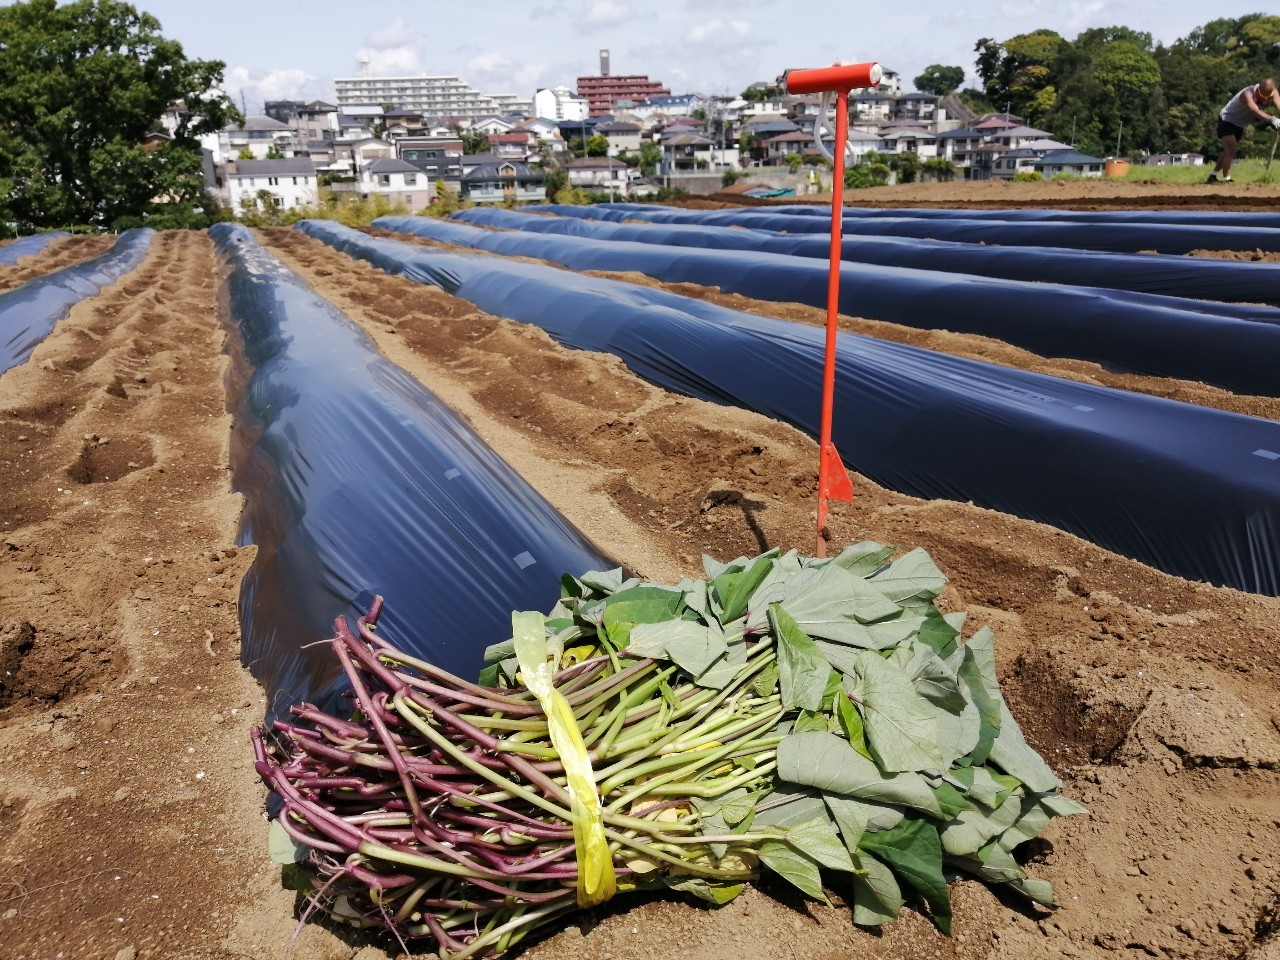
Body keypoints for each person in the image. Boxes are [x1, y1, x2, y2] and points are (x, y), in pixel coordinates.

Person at [1208, 78, 1280, 183]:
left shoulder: (1272, 92)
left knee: (1228, 150)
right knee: (1231, 148)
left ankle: (1212, 176)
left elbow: (1278, 103)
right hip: (1227, 119)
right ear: (1258, 89)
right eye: (1263, 96)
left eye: (1268, 96)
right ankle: (1226, 179)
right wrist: (1272, 119)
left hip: (1240, 123)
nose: (1265, 100)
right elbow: (1255, 111)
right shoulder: (1247, 94)